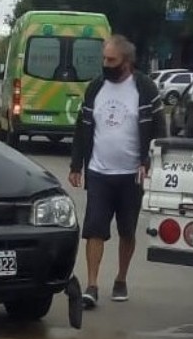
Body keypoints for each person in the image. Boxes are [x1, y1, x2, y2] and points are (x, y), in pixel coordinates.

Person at [68, 34, 165, 307]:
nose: (105, 64)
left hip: (131, 174)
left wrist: (149, 162)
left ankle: (121, 279)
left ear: (127, 62)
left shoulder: (145, 89)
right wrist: (77, 165)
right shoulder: (95, 88)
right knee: (94, 229)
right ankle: (92, 286)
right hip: (99, 172)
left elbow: (159, 129)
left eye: (111, 60)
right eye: (104, 59)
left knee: (127, 231)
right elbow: (81, 127)